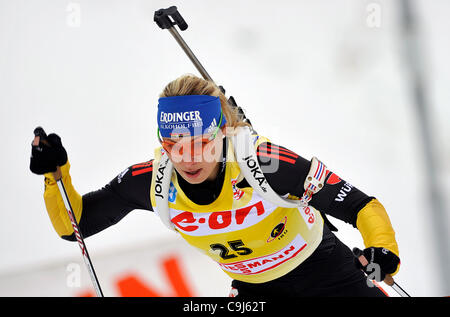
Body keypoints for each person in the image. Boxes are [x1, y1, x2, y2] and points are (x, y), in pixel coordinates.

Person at [30, 74, 401, 297]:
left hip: (326, 272)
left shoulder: (265, 163)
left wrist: (383, 253)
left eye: (199, 144)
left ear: (222, 134)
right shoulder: (154, 181)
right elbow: (74, 226)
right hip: (255, 289)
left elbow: (361, 206)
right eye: (173, 146)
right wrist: (55, 175)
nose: (187, 159)